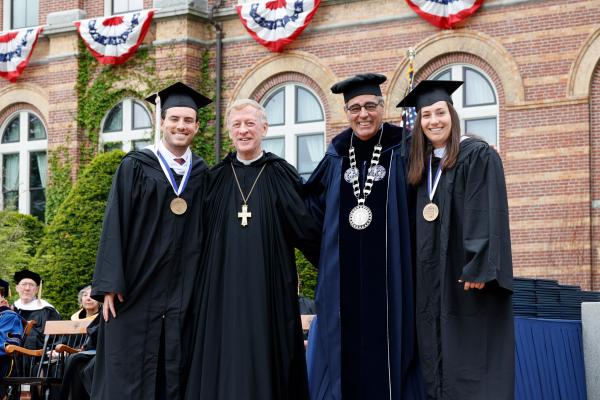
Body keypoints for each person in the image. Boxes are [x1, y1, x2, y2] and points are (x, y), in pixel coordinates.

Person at [184, 99, 321, 400]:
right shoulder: (214, 178)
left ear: (264, 128)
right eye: (237, 125)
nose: (243, 131)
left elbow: (306, 228)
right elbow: (193, 238)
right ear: (229, 132)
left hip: (268, 289)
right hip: (220, 291)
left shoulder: (281, 174)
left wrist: (336, 266)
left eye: (250, 124)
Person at [305, 73, 423, 400]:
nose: (363, 114)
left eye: (370, 105)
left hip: (395, 278)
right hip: (344, 281)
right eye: (355, 108)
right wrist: (327, 258)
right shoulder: (337, 152)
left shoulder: (406, 145)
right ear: (346, 113)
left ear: (382, 107)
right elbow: (309, 210)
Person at [91, 82, 211, 400]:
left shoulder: (202, 175)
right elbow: (115, 224)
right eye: (174, 119)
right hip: (134, 290)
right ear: (162, 121)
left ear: (197, 126)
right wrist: (109, 285)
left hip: (183, 295)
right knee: (127, 373)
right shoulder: (135, 166)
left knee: (175, 371)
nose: (180, 126)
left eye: (188, 120)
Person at [399, 80, 514, 399]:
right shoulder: (421, 167)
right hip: (429, 277)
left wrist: (479, 265)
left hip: (464, 277)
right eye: (425, 115)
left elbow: (485, 208)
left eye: (439, 112)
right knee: (434, 353)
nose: (433, 121)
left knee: (470, 354)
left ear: (452, 113)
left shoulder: (476, 154)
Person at [13, 269, 60, 349]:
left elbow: (56, 337)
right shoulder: (12, 309)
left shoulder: (47, 310)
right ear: (17, 288)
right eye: (24, 284)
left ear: (37, 289)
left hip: (37, 353)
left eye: (31, 285)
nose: (27, 288)